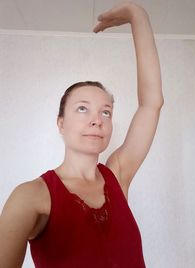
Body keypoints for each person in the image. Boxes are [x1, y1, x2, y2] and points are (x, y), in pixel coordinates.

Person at [0, 1, 164, 267]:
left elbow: (151, 103)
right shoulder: (31, 196)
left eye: (106, 112)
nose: (96, 120)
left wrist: (138, 15)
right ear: (61, 123)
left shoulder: (117, 176)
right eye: (82, 109)